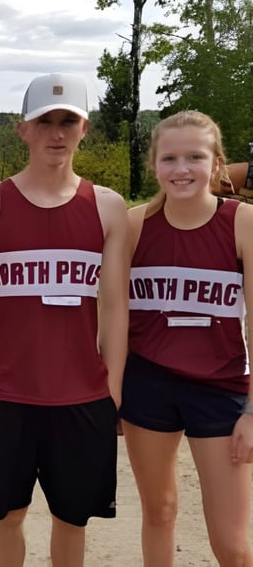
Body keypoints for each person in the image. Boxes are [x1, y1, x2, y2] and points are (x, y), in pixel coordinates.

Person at [0, 73, 130, 567]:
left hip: (82, 396)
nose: (57, 132)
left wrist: (112, 385)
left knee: (71, 518)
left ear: (84, 129)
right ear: (22, 130)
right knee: (7, 515)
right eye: (45, 121)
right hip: (5, 396)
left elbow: (116, 305)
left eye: (67, 121)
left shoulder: (107, 206)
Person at [120, 111, 253, 566]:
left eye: (195, 157)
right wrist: (113, 391)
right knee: (159, 511)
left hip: (220, 386)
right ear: (153, 165)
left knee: (232, 544)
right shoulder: (134, 225)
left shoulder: (243, 222)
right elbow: (112, 314)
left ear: (216, 164)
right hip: (148, 382)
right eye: (169, 157)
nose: (181, 169)